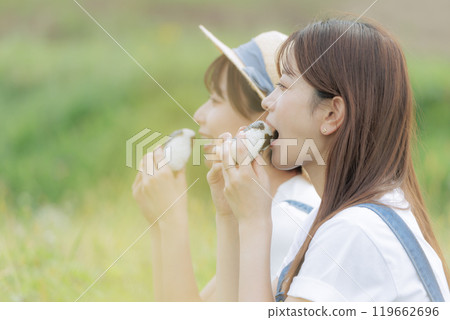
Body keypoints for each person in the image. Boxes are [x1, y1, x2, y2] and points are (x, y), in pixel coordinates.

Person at [216, 17, 450, 301]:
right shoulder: (331, 220)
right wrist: (228, 214)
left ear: (331, 114)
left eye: (285, 85)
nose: (268, 102)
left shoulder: (354, 232)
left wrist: (254, 221)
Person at [132, 26, 320, 301]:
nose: (199, 115)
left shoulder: (286, 220)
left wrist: (171, 220)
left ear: (266, 118)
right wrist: (158, 223)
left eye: (216, 100)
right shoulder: (266, 205)